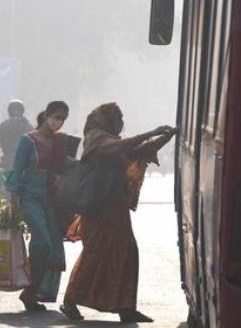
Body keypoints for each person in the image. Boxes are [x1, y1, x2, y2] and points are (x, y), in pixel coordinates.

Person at [61, 102, 176, 323]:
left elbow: (139, 150)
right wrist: (151, 132)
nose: (119, 122)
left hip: (116, 205)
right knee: (96, 254)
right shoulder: (95, 137)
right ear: (104, 119)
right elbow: (121, 147)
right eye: (116, 117)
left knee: (127, 253)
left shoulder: (113, 140)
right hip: (98, 206)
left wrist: (167, 136)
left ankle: (125, 306)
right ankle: (70, 300)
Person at [5, 101, 70, 312]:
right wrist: (12, 203)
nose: (58, 122)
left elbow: (68, 166)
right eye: (56, 116)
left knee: (53, 246)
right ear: (47, 115)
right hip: (30, 197)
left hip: (51, 199)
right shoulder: (28, 140)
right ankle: (30, 290)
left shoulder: (61, 141)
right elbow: (17, 170)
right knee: (41, 241)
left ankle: (32, 292)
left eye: (62, 119)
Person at [0, 100, 33, 193]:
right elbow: (35, 138)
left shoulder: (4, 124)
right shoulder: (27, 124)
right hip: (24, 158)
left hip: (8, 158)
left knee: (2, 176)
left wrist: (0, 144)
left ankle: (3, 191)